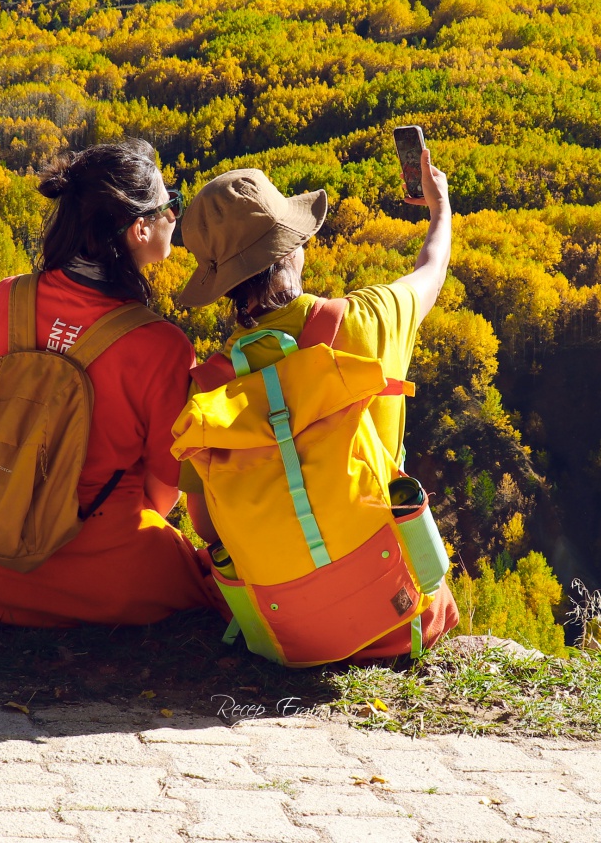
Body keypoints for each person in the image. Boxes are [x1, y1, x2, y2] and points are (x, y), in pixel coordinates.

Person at [0, 139, 221, 626]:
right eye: (170, 205)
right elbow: (164, 486)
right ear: (139, 228)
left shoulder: (6, 298)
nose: (177, 214)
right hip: (110, 579)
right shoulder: (161, 345)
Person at [172, 145, 459, 658]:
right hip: (401, 621)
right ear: (293, 250)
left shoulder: (207, 388)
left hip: (288, 638)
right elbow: (431, 270)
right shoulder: (363, 320)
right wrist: (441, 213)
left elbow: (207, 526)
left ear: (221, 285)